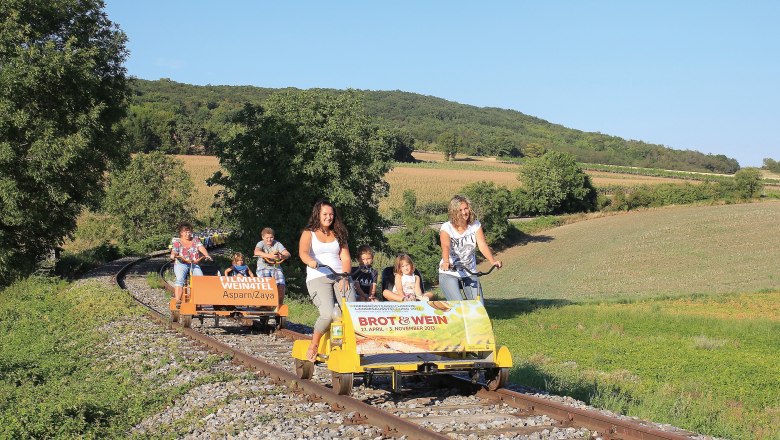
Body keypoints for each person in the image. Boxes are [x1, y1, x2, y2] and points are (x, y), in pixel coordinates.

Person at [298, 200, 355, 362]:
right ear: (318, 214)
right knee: (328, 314)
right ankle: (314, 344)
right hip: (318, 275)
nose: (328, 217)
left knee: (350, 311)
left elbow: (345, 258)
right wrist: (310, 261)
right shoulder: (309, 233)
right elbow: (303, 252)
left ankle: (352, 345)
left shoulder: (338, 233)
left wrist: (345, 275)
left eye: (331, 214)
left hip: (339, 275)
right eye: (325, 214)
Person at [439, 195, 502, 303]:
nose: (464, 213)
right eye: (460, 210)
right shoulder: (446, 227)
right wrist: (446, 261)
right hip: (450, 271)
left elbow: (482, 245)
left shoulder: (475, 225)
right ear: (454, 212)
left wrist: (493, 261)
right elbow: (446, 246)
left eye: (466, 208)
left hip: (469, 272)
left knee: (478, 306)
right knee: (458, 305)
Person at [170, 222, 212, 304]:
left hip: (194, 263)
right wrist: (173, 255)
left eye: (189, 232)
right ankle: (178, 299)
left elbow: (201, 247)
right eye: (185, 232)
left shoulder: (195, 240)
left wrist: (207, 255)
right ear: (181, 233)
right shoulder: (177, 242)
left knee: (200, 278)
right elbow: (174, 251)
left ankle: (197, 298)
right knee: (180, 279)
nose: (188, 234)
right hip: (181, 263)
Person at [254, 227, 291, 303]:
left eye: (271, 237)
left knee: (281, 284)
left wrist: (282, 256)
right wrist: (269, 256)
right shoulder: (261, 243)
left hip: (276, 267)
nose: (269, 239)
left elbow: (288, 254)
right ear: (263, 237)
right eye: (267, 238)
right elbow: (256, 252)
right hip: (263, 267)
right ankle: (264, 304)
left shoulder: (277, 244)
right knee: (266, 285)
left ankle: (279, 304)